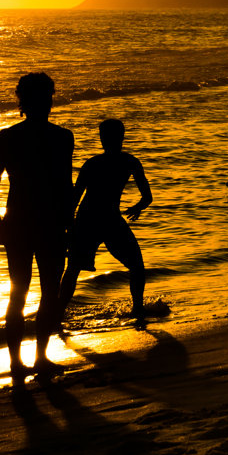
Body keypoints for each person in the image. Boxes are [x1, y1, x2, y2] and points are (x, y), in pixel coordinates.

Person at [0, 72, 74, 381]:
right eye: (47, 97)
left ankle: (18, 363)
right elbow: (66, 186)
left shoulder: (8, 136)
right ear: (44, 100)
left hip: (21, 221)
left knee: (19, 292)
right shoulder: (62, 137)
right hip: (48, 222)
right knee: (48, 292)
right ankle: (38, 358)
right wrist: (70, 222)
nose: (48, 102)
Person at [59, 119, 153, 321]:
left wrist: (68, 227)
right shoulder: (130, 161)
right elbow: (148, 197)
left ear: (102, 139)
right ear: (122, 137)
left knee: (73, 269)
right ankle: (138, 309)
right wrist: (136, 208)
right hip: (109, 219)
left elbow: (74, 199)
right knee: (137, 266)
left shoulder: (92, 164)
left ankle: (56, 314)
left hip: (88, 219)